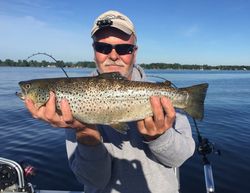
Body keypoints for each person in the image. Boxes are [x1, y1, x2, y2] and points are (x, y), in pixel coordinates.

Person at [25, 10, 195, 193]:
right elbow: (94, 181)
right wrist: (84, 130)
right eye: (103, 48)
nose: (113, 56)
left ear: (134, 53)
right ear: (94, 52)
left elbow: (179, 159)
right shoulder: (69, 104)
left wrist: (159, 137)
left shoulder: (161, 95)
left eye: (123, 49)